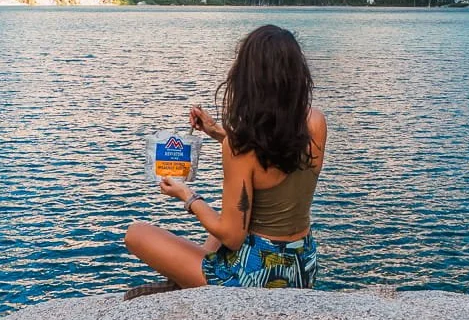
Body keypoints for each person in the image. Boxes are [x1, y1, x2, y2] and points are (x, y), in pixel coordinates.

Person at [123, 25, 327, 297]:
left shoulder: (239, 147)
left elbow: (232, 236)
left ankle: (187, 284)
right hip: (301, 266)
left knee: (136, 234)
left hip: (255, 276)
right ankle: (187, 281)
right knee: (229, 218)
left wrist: (187, 196)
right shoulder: (315, 121)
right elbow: (275, 157)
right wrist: (219, 133)